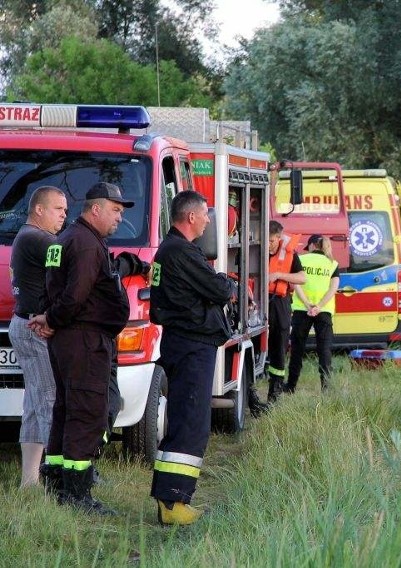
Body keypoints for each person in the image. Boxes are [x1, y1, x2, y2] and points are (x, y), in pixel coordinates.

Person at [28, 182, 134, 516]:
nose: (119, 218)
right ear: (96, 208)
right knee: (87, 413)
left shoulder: (66, 239)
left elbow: (50, 286)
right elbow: (75, 296)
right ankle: (76, 494)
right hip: (85, 339)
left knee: (66, 408)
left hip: (68, 339)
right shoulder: (87, 243)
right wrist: (55, 319)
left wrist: (50, 318)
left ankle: (56, 479)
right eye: (115, 210)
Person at [149, 190, 237, 525]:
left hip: (185, 344)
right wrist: (223, 285)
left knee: (187, 420)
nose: (208, 221)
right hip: (190, 346)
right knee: (189, 424)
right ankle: (173, 504)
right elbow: (220, 290)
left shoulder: (173, 251)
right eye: (206, 215)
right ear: (191, 217)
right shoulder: (181, 252)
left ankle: (173, 499)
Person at [9, 186, 66, 489]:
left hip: (24, 323)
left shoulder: (26, 236)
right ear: (39, 210)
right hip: (35, 328)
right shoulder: (39, 239)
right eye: (58, 209)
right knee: (50, 402)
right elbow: (73, 262)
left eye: (66, 210)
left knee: (33, 405)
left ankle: (29, 483)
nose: (64, 216)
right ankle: (59, 484)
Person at [284, 234, 340, 393]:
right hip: (324, 311)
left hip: (303, 309)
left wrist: (308, 304)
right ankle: (326, 388)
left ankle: (291, 386)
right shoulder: (332, 264)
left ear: (312, 246)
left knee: (297, 349)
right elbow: (333, 288)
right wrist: (319, 306)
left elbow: (295, 283)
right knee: (324, 350)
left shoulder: (302, 260)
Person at [266, 221, 306, 402]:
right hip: (256, 300)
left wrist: (279, 275)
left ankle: (275, 392)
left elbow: (302, 278)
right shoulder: (254, 249)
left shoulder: (289, 255)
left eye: (273, 241)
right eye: (267, 241)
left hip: (279, 302)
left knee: (279, 345)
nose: (269, 245)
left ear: (279, 239)